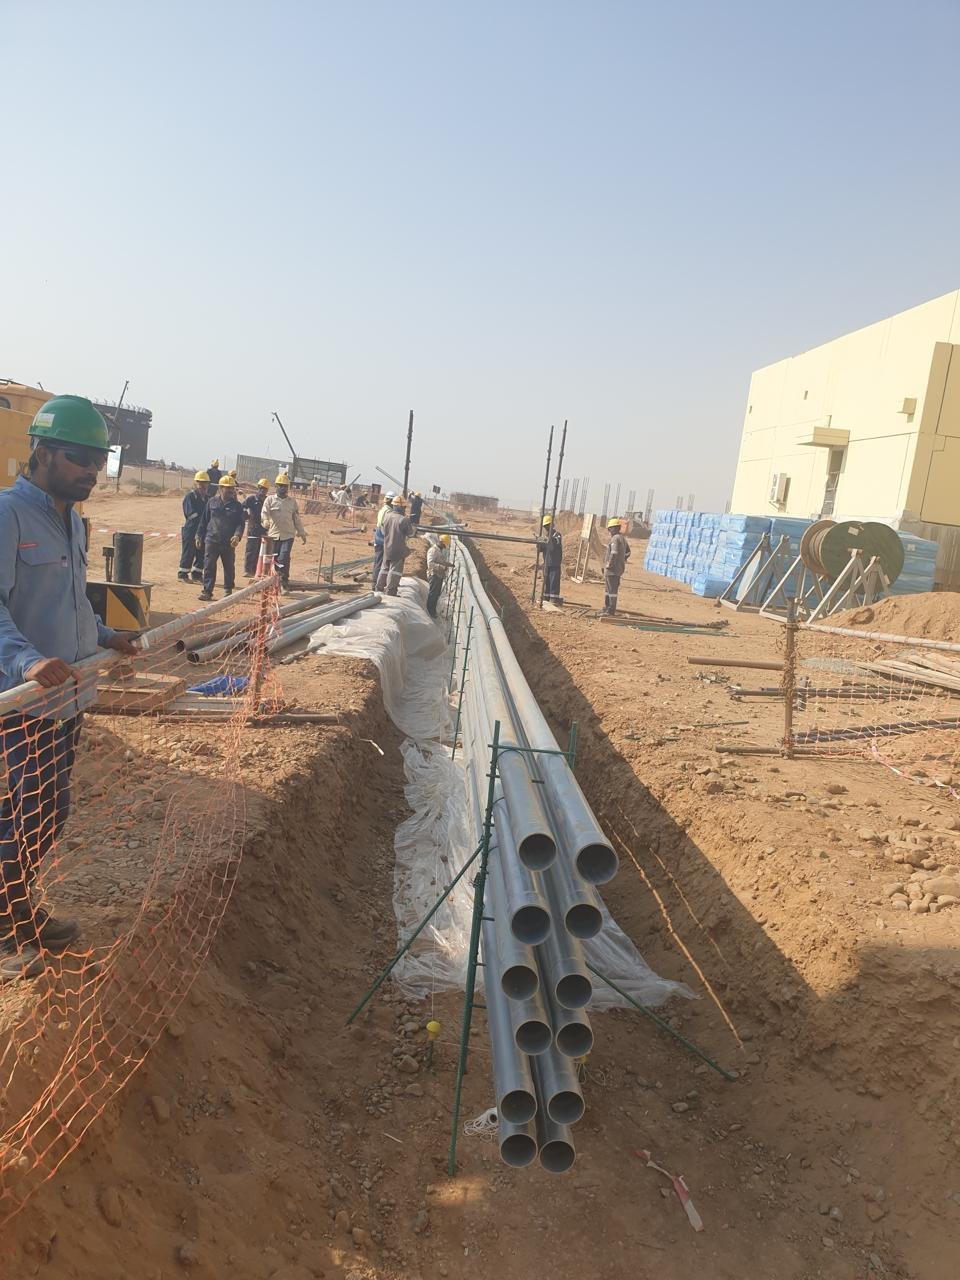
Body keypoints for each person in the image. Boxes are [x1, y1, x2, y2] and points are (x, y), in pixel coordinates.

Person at [0, 396, 138, 981]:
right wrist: (26, 661)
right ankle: (5, 928)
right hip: (25, 700)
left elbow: (71, 601)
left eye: (98, 461)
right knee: (24, 814)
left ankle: (16, 908)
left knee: (45, 813)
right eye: (80, 458)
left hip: (66, 700)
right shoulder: (8, 515)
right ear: (42, 452)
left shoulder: (72, 521)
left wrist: (104, 635)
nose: (91, 471)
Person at [196, 474, 246, 600]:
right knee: (209, 565)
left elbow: (240, 524)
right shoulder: (211, 502)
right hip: (212, 539)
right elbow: (204, 520)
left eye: (232, 488)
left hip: (228, 541)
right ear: (220, 488)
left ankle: (228, 590)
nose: (230, 490)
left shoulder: (237, 506)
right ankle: (207, 591)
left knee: (228, 566)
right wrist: (198, 535)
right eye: (227, 488)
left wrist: (237, 536)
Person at [262, 473, 307, 587]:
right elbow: (264, 513)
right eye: (280, 486)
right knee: (275, 558)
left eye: (285, 486)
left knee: (283, 556)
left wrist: (301, 532)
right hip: (273, 534)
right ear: (276, 486)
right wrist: (265, 521)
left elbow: (296, 518)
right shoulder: (269, 500)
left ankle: (282, 579)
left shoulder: (292, 502)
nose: (283, 488)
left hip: (288, 535)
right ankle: (277, 579)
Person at [376, 496, 417, 596]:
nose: (404, 509)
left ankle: (379, 588)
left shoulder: (387, 516)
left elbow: (383, 531)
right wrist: (414, 528)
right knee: (395, 571)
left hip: (387, 547)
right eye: (404, 507)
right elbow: (411, 534)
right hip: (398, 550)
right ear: (401, 507)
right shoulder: (404, 520)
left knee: (384, 568)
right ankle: (391, 591)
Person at [177, 471, 210, 582]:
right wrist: (203, 519)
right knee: (189, 551)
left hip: (203, 530)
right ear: (196, 483)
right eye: (200, 482)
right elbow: (190, 513)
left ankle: (197, 574)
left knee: (201, 552)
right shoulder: (190, 496)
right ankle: (183, 574)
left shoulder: (208, 498)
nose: (203, 485)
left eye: (205, 483)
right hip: (191, 528)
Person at [242, 478, 271, 578]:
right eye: (261, 488)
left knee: (260, 550)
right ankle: (248, 570)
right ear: (258, 488)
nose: (262, 491)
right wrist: (247, 516)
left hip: (263, 529)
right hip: (253, 528)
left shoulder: (267, 500)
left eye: (265, 489)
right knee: (251, 549)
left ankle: (255, 570)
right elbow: (242, 507)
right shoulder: (251, 499)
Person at [602, 517, 631, 615]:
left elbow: (614, 553)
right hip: (618, 569)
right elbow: (628, 552)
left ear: (615, 528)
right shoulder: (622, 538)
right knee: (608, 590)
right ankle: (607, 607)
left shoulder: (615, 538)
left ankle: (610, 609)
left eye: (610, 529)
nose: (609, 531)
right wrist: (622, 560)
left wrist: (608, 565)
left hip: (612, 570)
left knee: (612, 591)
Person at [371, 491, 394, 589]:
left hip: (378, 537)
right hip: (382, 539)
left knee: (378, 562)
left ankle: (375, 583)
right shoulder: (388, 511)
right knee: (381, 563)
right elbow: (385, 527)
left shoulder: (383, 509)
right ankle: (376, 584)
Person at [425, 533, 451, 618]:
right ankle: (430, 611)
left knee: (436, 594)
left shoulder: (439, 550)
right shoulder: (433, 550)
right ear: (441, 542)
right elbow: (430, 564)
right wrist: (442, 567)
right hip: (434, 574)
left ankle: (433, 609)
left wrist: (448, 564)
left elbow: (440, 561)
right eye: (445, 545)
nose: (445, 547)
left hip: (439, 575)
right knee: (433, 594)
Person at [541, 514, 563, 603]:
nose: (546, 528)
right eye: (545, 526)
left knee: (554, 581)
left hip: (555, 563)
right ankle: (546, 596)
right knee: (547, 581)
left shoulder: (557, 535)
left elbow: (554, 545)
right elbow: (541, 549)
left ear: (552, 525)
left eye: (547, 525)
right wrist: (539, 543)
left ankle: (554, 597)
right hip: (547, 562)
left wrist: (548, 539)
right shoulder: (545, 536)